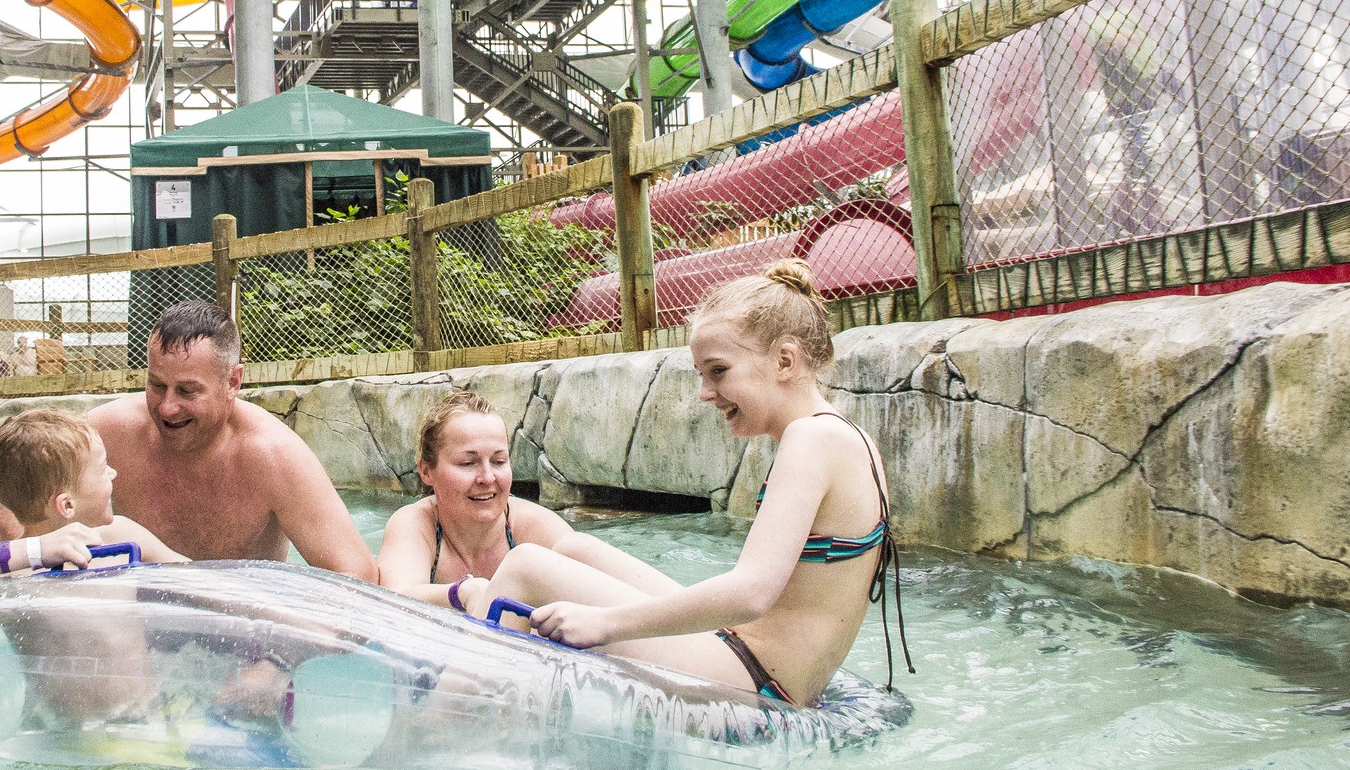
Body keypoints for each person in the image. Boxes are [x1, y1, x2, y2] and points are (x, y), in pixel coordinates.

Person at [457, 261, 911, 708]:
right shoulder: (846, 436)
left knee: (525, 568)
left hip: (757, 677)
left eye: (718, 370)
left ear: (785, 361)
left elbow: (752, 593)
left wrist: (606, 623)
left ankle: (441, 723)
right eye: (702, 374)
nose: (705, 393)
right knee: (573, 550)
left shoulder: (811, 438)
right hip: (761, 657)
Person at [84, 300, 375, 582]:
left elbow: (358, 576)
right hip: (142, 619)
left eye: (187, 391)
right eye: (157, 385)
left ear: (233, 382)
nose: (166, 407)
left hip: (247, 622)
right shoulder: (104, 434)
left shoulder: (273, 454)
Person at [0, 409, 185, 602]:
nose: (113, 473)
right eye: (103, 467)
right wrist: (36, 550)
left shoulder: (120, 535)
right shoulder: (15, 572)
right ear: (67, 504)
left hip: (141, 701)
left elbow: (203, 579)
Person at [377, 391, 584, 609]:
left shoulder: (534, 527)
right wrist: (461, 592)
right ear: (426, 471)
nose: (487, 477)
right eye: (467, 463)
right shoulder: (417, 524)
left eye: (499, 461)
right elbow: (395, 601)